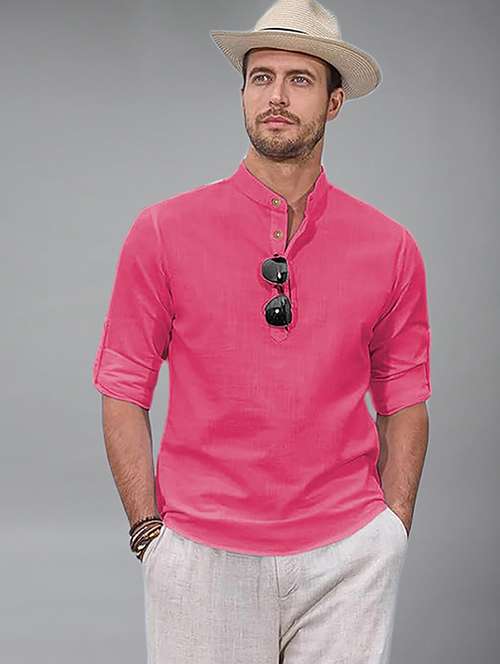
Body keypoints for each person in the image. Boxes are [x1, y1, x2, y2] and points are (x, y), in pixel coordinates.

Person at [92, 0, 432, 662]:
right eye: (261, 77)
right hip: (200, 555)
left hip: (349, 558)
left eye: (299, 79)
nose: (276, 96)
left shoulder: (390, 247)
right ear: (244, 92)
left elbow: (404, 395)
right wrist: (148, 534)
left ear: (334, 102)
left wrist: (391, 529)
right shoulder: (162, 232)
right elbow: (123, 385)